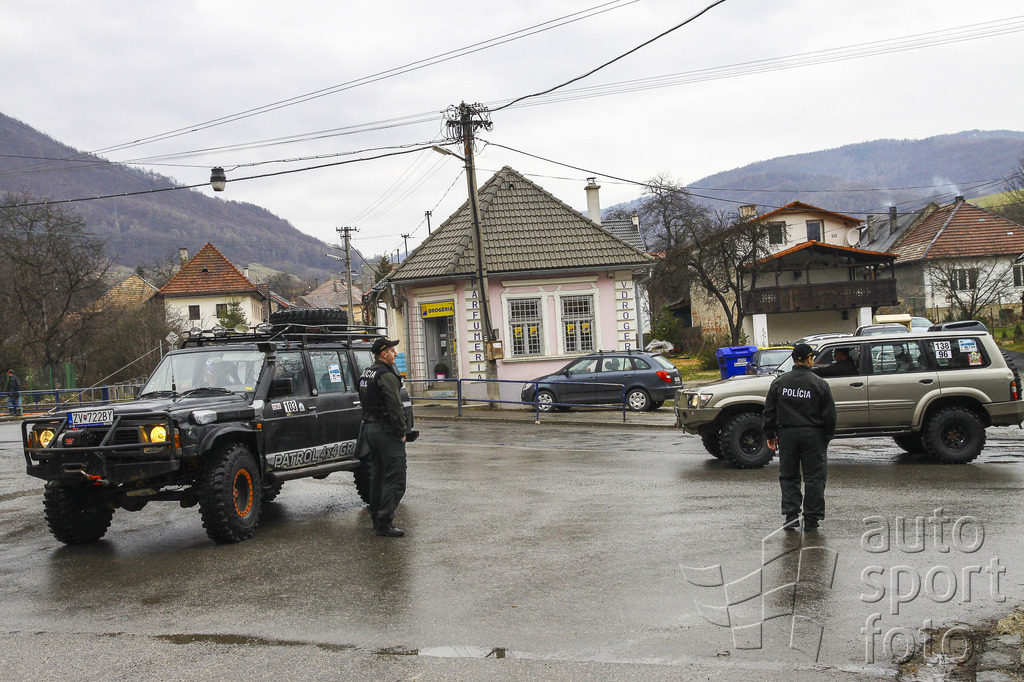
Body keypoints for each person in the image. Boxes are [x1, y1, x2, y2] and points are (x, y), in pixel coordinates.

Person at [763, 343, 837, 532]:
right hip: (813, 435)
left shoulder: (780, 383)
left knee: (789, 476)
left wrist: (770, 434)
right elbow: (830, 415)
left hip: (787, 435)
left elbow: (769, 411)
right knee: (814, 478)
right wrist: (826, 438)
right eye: (813, 358)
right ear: (809, 359)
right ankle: (811, 520)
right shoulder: (819, 383)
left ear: (795, 360)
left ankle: (791, 517)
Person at [357, 337, 409, 537]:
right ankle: (385, 522)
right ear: (383, 353)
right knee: (396, 477)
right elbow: (395, 406)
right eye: (392, 350)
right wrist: (401, 431)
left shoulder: (367, 373)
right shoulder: (386, 375)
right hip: (386, 430)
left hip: (370, 428)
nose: (395, 353)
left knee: (378, 476)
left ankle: (377, 519)